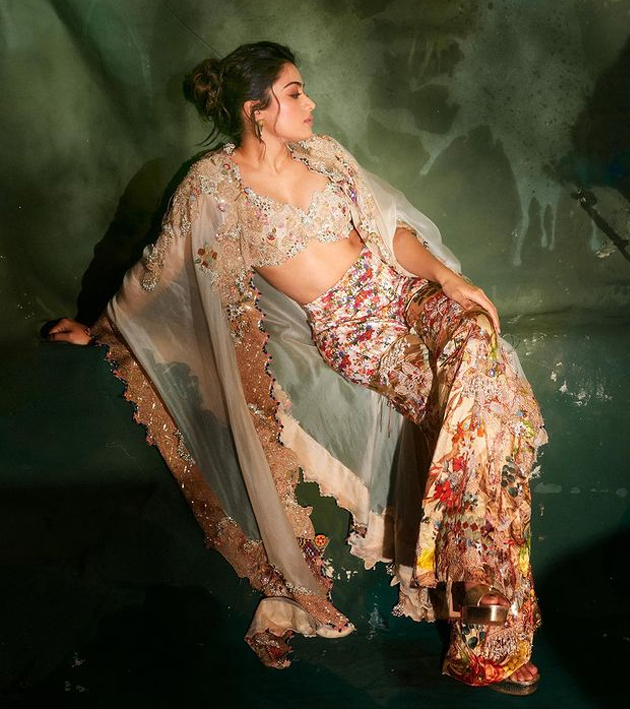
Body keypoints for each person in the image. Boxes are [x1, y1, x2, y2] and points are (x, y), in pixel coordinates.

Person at [49, 41, 547, 694]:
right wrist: (97, 327)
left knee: (484, 371)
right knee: (486, 426)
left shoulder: (326, 156)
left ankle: (473, 586)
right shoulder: (213, 186)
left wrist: (447, 279)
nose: (310, 103)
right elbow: (159, 269)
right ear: (256, 110)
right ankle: (487, 631)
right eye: (293, 93)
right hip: (357, 330)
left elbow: (390, 231)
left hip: (406, 294)